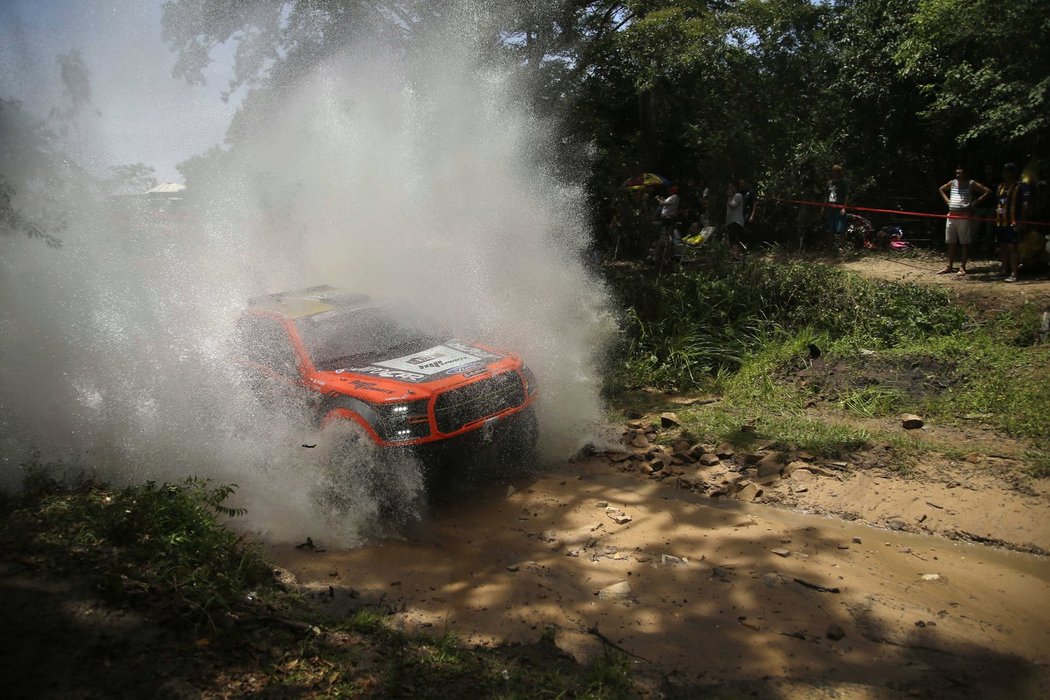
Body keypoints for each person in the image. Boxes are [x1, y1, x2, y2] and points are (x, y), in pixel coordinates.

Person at [937, 165, 990, 275]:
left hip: (964, 217)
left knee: (964, 242)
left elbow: (987, 191)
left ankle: (962, 267)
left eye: (959, 173)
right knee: (950, 242)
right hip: (951, 216)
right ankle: (949, 266)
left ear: (965, 173)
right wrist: (947, 201)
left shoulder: (971, 183)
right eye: (956, 173)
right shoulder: (952, 183)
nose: (957, 175)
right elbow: (941, 189)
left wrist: (976, 202)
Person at [994, 162, 1030, 282]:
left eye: (1008, 171)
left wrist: (1022, 221)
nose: (1005, 173)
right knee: (1003, 246)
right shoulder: (1001, 186)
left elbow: (1025, 204)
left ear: (1014, 172)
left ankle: (1014, 273)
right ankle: (1004, 269)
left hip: (1013, 222)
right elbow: (998, 202)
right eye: (1004, 170)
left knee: (1012, 247)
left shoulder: (1021, 186)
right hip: (1000, 222)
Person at [826, 164, 850, 252]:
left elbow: (846, 196)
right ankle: (829, 248)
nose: (834, 173)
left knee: (841, 229)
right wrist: (824, 207)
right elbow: (826, 195)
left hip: (839, 209)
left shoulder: (843, 183)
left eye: (836, 172)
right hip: (830, 208)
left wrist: (844, 207)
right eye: (833, 172)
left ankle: (842, 247)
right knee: (830, 229)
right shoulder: (829, 183)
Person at [725, 181, 746, 258]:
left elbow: (731, 205)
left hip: (736, 221)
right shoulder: (731, 197)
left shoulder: (738, 195)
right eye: (729, 188)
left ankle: (737, 257)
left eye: (731, 187)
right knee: (732, 241)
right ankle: (736, 257)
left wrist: (729, 197)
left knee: (735, 241)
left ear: (735, 188)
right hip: (730, 222)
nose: (730, 189)